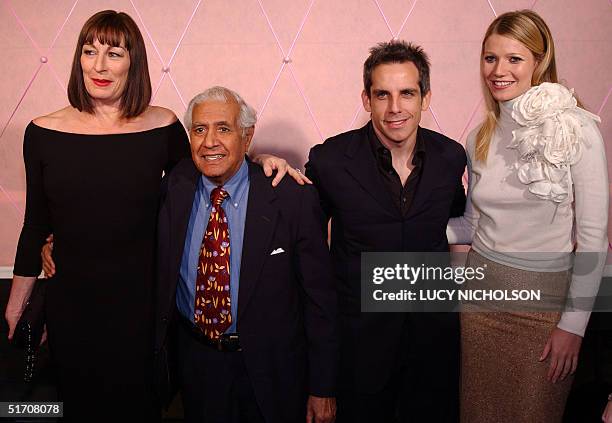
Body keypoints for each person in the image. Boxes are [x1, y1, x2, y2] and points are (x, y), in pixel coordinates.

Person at [259, 41, 466, 422]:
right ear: (366, 99)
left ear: (426, 97)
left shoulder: (451, 157)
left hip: (433, 346)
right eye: (382, 94)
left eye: (407, 93)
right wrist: (260, 162)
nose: (395, 108)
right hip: (359, 351)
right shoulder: (332, 160)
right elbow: (304, 244)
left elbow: (456, 218)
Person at [4, 10, 190, 421]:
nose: (99, 65)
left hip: (141, 307)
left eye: (114, 53)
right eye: (90, 51)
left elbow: (206, 184)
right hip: (72, 306)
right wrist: (16, 304)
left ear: (133, 62)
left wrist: (262, 162)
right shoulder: (42, 131)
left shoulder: (163, 126)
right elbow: (36, 223)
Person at [446, 10, 608, 423]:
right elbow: (473, 224)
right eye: (490, 58)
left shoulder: (576, 129)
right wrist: (397, 227)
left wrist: (574, 326)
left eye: (514, 59)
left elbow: (593, 239)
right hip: (481, 300)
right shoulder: (479, 135)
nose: (499, 71)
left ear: (539, 61)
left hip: (545, 308)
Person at [154, 86, 338, 423]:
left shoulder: (290, 198)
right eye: (199, 130)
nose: (210, 141)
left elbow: (320, 302)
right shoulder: (174, 187)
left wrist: (322, 387)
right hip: (197, 367)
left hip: (273, 373)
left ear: (247, 135)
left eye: (223, 129)